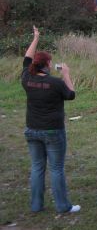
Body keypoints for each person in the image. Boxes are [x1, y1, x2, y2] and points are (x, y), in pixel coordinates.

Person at [21, 26, 80, 214]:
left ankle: (36, 205)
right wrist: (66, 74)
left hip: (32, 130)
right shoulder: (55, 83)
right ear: (47, 65)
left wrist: (36, 37)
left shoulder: (27, 78)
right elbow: (71, 95)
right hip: (53, 131)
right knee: (56, 168)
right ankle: (63, 206)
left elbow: (26, 58)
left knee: (37, 167)